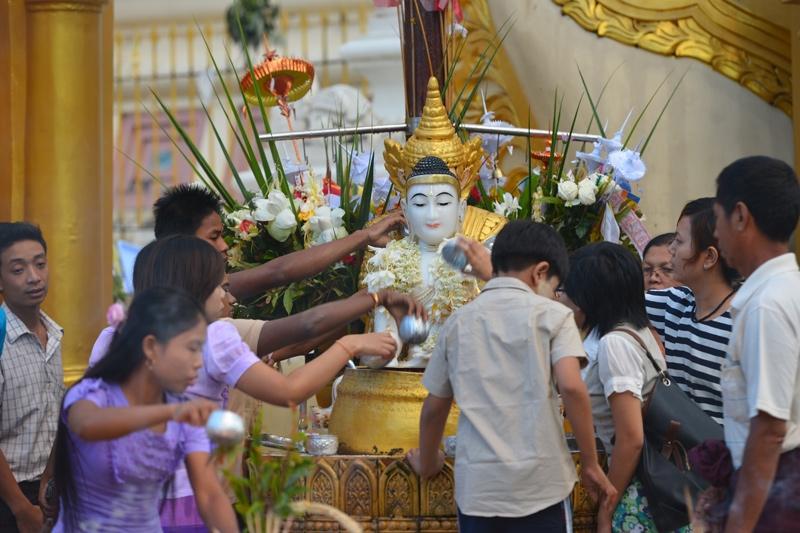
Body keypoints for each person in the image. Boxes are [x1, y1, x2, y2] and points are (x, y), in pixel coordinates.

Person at [88, 236, 406, 531]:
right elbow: (289, 392)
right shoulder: (213, 336)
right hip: (188, 505)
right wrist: (349, 345)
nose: (229, 296)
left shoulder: (111, 337)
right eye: (221, 287)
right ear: (197, 289)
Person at [407, 221, 616, 533]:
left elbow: (435, 407)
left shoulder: (458, 323)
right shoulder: (554, 316)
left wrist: (427, 461)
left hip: (478, 490)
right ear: (540, 272)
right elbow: (572, 387)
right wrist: (590, 463)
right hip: (541, 488)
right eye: (554, 287)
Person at [52, 287, 237, 532]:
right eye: (192, 348)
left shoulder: (182, 411)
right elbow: (87, 424)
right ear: (151, 347)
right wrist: (170, 413)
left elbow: (210, 495)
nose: (198, 362)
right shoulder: (93, 393)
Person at [559, 242, 681, 533]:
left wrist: (607, 507)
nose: (562, 298)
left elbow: (631, 437)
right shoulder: (639, 330)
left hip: (632, 491)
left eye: (568, 290)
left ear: (588, 297)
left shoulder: (614, 344)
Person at [712, 156, 800, 532]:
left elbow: (768, 430)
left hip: (777, 494)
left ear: (741, 216)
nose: (715, 233)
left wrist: (739, 523)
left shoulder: (768, 304)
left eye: (716, 219)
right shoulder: (783, 291)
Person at [153, 184, 404, 300]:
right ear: (182, 243)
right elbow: (278, 272)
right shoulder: (191, 299)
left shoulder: (208, 289)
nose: (224, 246)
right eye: (213, 237)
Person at [646, 198, 739, 424]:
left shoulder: (745, 319)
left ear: (709, 258)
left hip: (730, 454)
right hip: (685, 453)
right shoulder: (675, 303)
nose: (671, 249)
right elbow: (608, 295)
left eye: (679, 241)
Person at [0, 223, 63, 533]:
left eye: (40, 264)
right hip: (10, 497)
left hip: (50, 491)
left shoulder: (55, 335)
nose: (34, 277)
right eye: (18, 269)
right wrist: (21, 508)